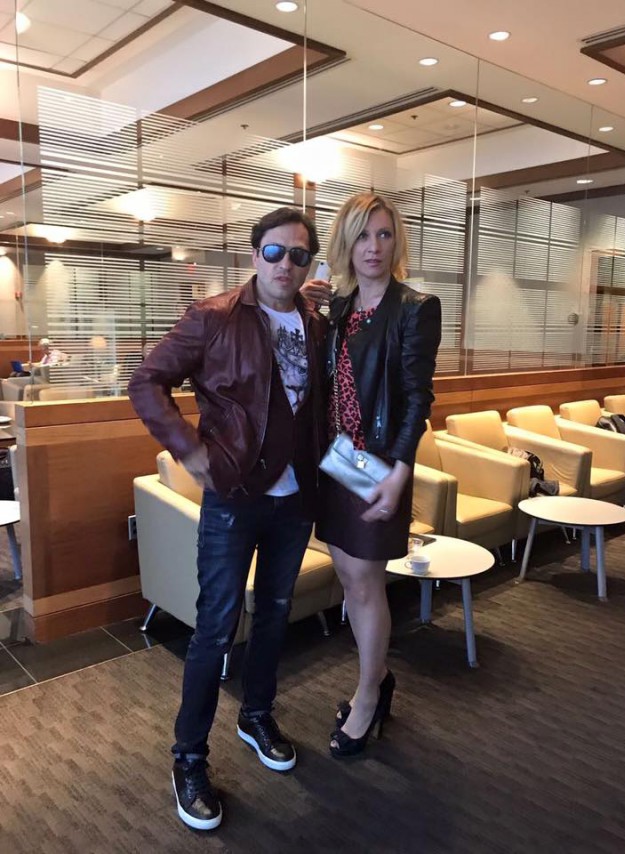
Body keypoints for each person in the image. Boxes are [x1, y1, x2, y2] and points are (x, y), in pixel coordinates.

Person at [128, 207, 327, 831]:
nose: (286, 264)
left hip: (296, 499)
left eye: (299, 254)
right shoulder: (213, 317)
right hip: (234, 496)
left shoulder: (316, 324)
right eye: (275, 251)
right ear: (254, 255)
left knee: (274, 614)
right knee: (215, 628)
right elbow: (146, 382)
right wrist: (189, 451)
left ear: (309, 263)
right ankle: (188, 758)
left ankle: (256, 715)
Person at [308, 192, 441, 759]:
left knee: (365, 582)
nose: (374, 247)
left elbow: (417, 398)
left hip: (379, 464)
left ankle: (368, 695)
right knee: (347, 572)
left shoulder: (414, 308)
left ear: (396, 241)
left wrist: (399, 472)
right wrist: (305, 304)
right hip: (337, 462)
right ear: (346, 242)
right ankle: (379, 678)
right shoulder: (337, 309)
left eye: (384, 234)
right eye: (362, 235)